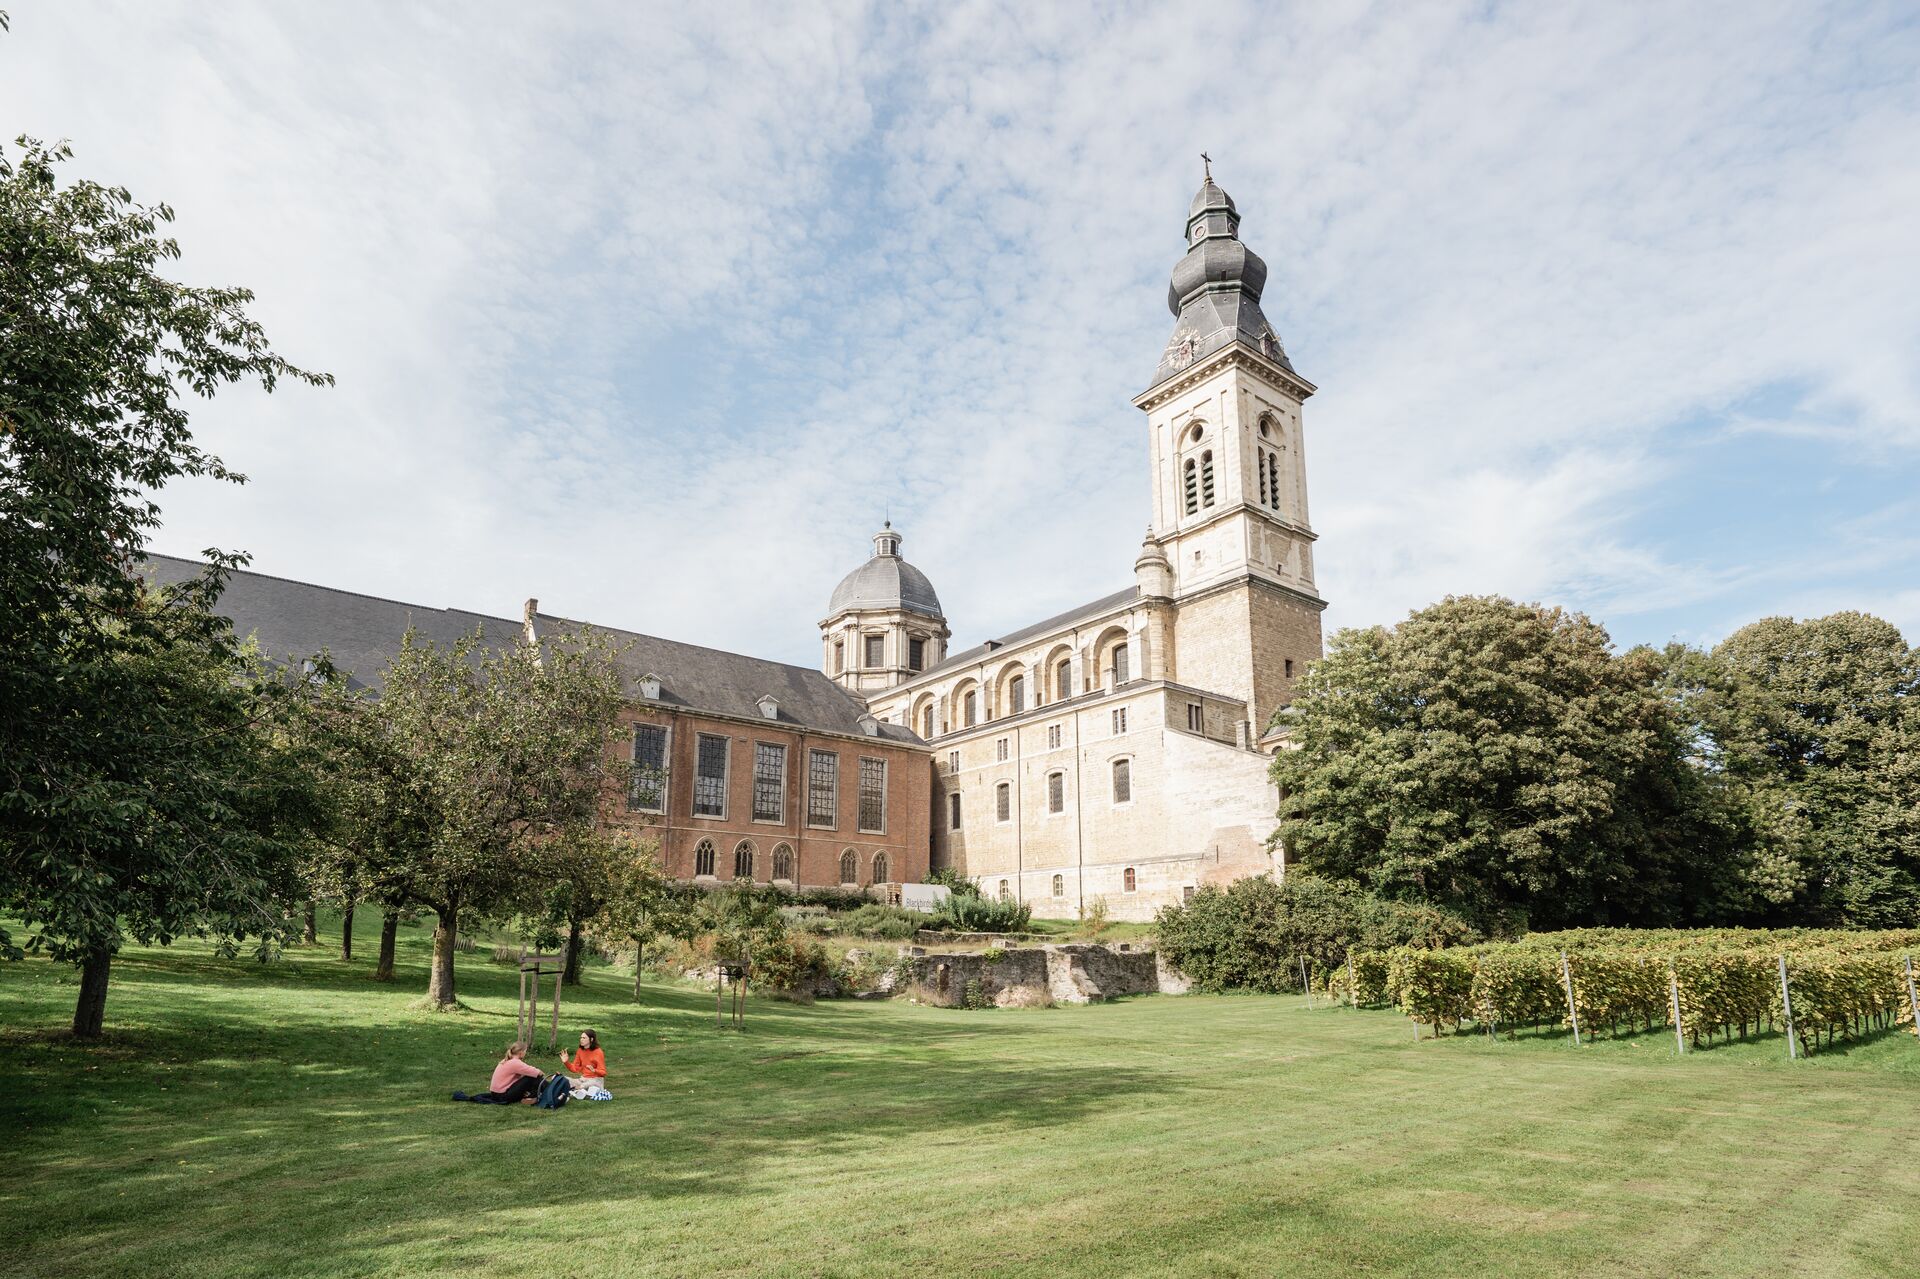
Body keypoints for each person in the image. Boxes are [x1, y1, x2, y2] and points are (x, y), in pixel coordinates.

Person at [453, 1042, 546, 1104]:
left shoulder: (507, 1060)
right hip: (502, 1096)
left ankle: (531, 1096)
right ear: (521, 1053)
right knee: (532, 1077)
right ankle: (541, 1094)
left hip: (496, 1094)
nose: (525, 1053)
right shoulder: (515, 1063)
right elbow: (538, 1073)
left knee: (529, 1077)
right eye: (525, 1051)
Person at [560, 1029, 607, 1097]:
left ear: (591, 1039)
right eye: (581, 1038)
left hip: (596, 1081)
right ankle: (574, 1091)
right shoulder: (580, 1051)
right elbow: (575, 1069)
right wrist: (566, 1062)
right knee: (560, 1079)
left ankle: (573, 1091)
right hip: (583, 1079)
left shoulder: (598, 1052)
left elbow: (603, 1072)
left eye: (584, 1038)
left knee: (582, 1086)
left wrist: (594, 1070)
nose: (581, 1039)